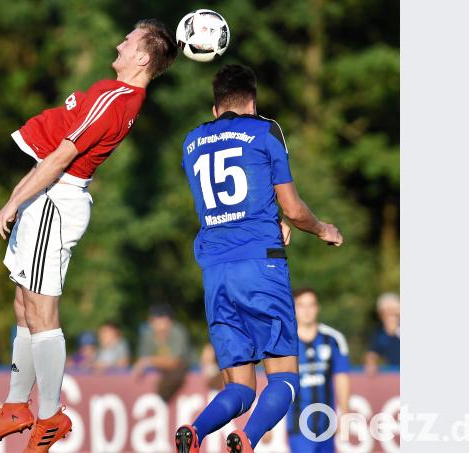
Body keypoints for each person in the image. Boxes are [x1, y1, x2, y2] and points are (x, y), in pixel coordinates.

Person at [0, 19, 178, 453]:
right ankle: (15, 405)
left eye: (130, 40)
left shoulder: (117, 96)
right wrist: (20, 195)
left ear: (142, 57)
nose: (120, 43)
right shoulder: (113, 92)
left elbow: (64, 155)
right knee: (24, 303)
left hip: (55, 200)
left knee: (43, 311)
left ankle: (49, 414)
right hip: (45, 196)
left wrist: (14, 200)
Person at [174, 64, 343, 453]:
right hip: (261, 266)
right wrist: (322, 229)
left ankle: (195, 432)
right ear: (253, 101)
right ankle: (245, 439)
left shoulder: (191, 141)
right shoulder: (265, 131)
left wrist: (270, 218)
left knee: (238, 387)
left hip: (215, 271)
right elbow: (295, 209)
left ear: (215, 108)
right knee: (284, 379)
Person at [286, 288, 351, 452]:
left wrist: (344, 414)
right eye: (301, 305)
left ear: (317, 307)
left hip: (327, 424)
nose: (307, 310)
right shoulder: (285, 342)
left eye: (311, 305)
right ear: (293, 308)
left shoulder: (333, 339)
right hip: (297, 424)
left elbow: (341, 377)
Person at [133, 303, 192, 402]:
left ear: (171, 321)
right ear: (150, 322)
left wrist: (148, 361)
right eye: (157, 319)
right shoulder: (147, 335)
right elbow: (140, 361)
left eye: (165, 319)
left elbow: (174, 362)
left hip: (182, 377)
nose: (161, 323)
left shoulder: (178, 332)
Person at [364, 292, 400, 374]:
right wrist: (371, 362)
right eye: (385, 312)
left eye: (393, 312)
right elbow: (372, 353)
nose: (389, 315)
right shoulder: (379, 332)